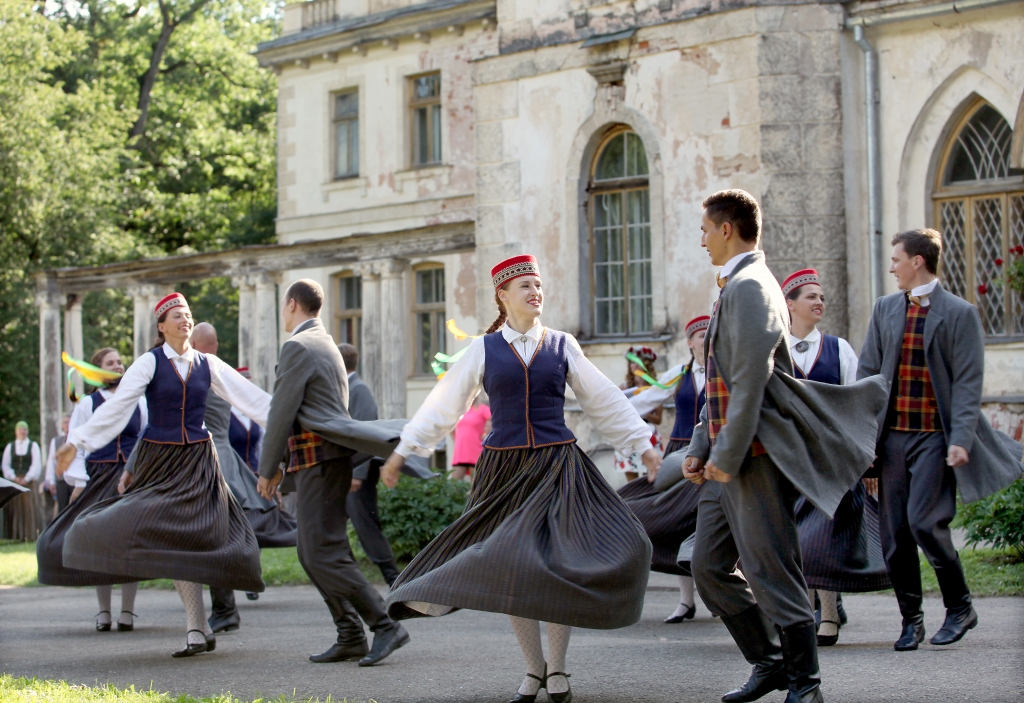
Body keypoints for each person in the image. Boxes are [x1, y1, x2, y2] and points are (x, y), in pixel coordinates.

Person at [379, 254, 660, 703]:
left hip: (557, 467)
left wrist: (643, 447)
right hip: (503, 472)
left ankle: (560, 670)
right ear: (503, 295)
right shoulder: (483, 349)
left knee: (561, 563)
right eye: (525, 285)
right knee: (512, 566)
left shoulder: (562, 345)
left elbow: (603, 399)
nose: (535, 292)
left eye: (539, 285)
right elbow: (443, 405)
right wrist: (402, 451)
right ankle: (533, 670)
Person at [681, 190, 887, 703]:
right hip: (725, 456)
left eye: (705, 229)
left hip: (752, 457)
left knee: (773, 570)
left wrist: (724, 457)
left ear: (727, 229)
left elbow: (752, 380)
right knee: (708, 566)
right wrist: (701, 444)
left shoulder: (752, 286)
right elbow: (719, 381)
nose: (701, 239)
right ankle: (769, 662)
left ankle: (806, 685)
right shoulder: (734, 286)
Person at [53, 292, 270, 658]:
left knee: (199, 540)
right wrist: (78, 441)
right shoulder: (149, 363)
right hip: (160, 462)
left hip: (200, 461)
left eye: (188, 315)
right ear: (161, 325)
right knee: (169, 541)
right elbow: (119, 408)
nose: (185, 320)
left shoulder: (208, 363)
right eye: (177, 316)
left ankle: (199, 628)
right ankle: (196, 627)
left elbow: (252, 398)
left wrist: (293, 421)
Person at [858, 229, 1023, 651]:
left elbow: (969, 383)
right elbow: (868, 376)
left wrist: (961, 438)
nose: (891, 266)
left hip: (935, 437)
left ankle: (960, 606)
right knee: (894, 536)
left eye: (897, 259)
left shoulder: (960, 313)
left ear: (918, 261)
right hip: (892, 438)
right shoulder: (885, 309)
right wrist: (864, 442)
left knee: (925, 523)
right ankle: (911, 620)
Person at [255, 280, 410, 667]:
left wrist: (268, 466)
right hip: (323, 461)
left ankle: (384, 625)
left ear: (291, 304)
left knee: (321, 552)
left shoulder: (299, 345)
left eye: (283, 306)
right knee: (315, 552)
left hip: (319, 461)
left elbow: (281, 411)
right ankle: (350, 633)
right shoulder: (325, 343)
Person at [782, 269, 890, 647]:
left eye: (822, 296)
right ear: (789, 305)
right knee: (797, 536)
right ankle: (806, 611)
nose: (819, 302)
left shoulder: (839, 348)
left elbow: (859, 406)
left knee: (826, 534)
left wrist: (866, 459)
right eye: (810, 296)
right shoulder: (775, 352)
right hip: (791, 459)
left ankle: (828, 615)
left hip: (832, 458)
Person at [188, 322, 297, 632]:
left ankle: (225, 607)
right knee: (215, 535)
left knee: (210, 536)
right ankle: (226, 605)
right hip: (222, 461)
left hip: (206, 461)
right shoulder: (221, 371)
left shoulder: (196, 372)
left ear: (194, 342)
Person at [37, 348, 147, 633]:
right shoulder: (87, 403)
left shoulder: (138, 401)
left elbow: (147, 438)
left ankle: (127, 611)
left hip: (130, 480)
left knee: (129, 544)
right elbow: (75, 444)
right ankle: (103, 611)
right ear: (98, 370)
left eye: (121, 362)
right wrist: (79, 482)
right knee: (100, 544)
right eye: (111, 363)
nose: (118, 366)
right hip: (98, 478)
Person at [620, 316, 709, 624]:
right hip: (678, 456)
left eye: (711, 333)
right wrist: (610, 403)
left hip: (711, 456)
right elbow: (644, 401)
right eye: (700, 334)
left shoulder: (725, 371)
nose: (706, 339)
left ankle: (731, 594)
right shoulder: (679, 374)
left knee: (713, 523)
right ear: (689, 341)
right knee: (673, 522)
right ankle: (686, 601)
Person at [339, 342, 404, 587]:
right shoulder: (348, 388)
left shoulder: (359, 389)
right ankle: (347, 580)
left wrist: (357, 474)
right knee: (334, 527)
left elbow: (365, 434)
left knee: (366, 527)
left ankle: (395, 581)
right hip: (346, 471)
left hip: (359, 474)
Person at [615, 347, 663, 482]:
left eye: (637, 362)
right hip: (628, 433)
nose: (633, 365)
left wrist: (642, 411)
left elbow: (658, 419)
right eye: (631, 362)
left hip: (649, 433)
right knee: (631, 479)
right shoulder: (623, 387)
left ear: (646, 364)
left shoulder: (654, 388)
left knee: (651, 477)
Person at [2, 421, 45, 541]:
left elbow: (36, 464)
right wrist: (13, 477)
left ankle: (30, 534)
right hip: (14, 481)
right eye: (20, 429)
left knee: (29, 506)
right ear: (16, 431)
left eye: (24, 429)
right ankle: (15, 535)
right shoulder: (10, 446)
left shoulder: (33, 445)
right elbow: (5, 465)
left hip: (29, 481)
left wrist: (26, 478)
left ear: (27, 431)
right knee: (15, 506)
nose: (22, 431)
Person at [229, 367, 263, 473]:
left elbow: (261, 447)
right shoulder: (227, 414)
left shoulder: (255, 413)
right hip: (234, 474)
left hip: (255, 472)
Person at [450, 395, 490, 482]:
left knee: (475, 485)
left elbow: (493, 420)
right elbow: (450, 426)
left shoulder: (482, 409)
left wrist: (486, 434)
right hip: (461, 451)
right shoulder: (460, 411)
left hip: (476, 450)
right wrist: (456, 440)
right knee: (454, 485)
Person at [43, 414, 74, 520]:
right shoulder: (56, 441)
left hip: (74, 478)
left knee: (75, 507)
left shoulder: (77, 438)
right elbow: (51, 462)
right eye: (65, 422)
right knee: (62, 509)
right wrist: (51, 481)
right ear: (62, 425)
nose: (67, 425)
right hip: (61, 479)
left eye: (69, 422)